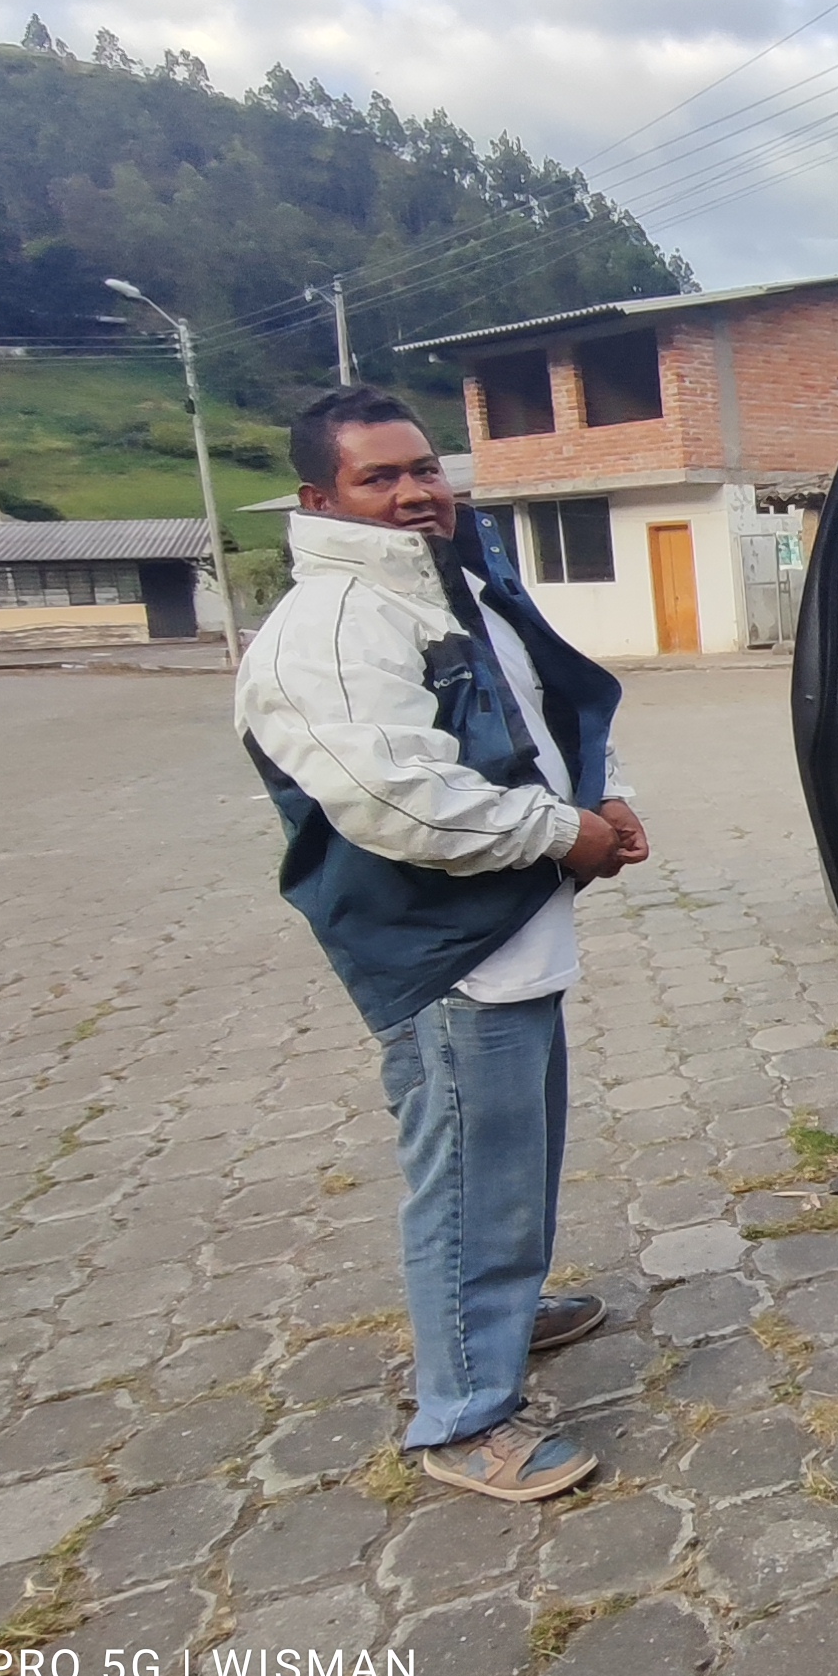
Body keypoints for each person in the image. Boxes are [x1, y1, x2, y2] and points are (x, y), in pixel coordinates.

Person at [236, 385, 648, 1502]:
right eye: (379, 477)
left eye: (425, 468)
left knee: (511, 1167)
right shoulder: (335, 625)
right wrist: (564, 833)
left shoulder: (448, 587)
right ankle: (465, 1416)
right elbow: (398, 802)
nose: (416, 492)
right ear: (321, 499)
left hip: (508, 931)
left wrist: (602, 800)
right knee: (471, 1180)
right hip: (446, 953)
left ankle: (498, 1317)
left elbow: (537, 717)